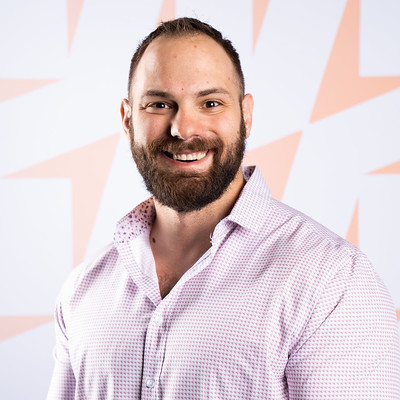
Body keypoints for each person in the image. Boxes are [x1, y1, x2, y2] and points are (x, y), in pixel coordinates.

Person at [47, 17, 400, 399]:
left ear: (246, 116)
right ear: (128, 119)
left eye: (211, 103)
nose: (183, 128)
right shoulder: (84, 289)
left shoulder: (331, 280)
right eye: (159, 104)